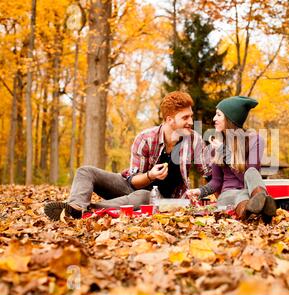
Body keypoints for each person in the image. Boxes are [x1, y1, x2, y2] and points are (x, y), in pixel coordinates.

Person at [44, 91, 211, 220]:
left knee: (144, 197)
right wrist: (151, 175)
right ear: (169, 120)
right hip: (130, 186)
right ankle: (76, 206)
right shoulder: (145, 139)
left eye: (191, 116)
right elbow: (133, 180)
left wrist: (224, 195)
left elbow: (210, 173)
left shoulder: (193, 140)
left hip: (160, 199)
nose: (191, 121)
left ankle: (86, 210)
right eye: (185, 117)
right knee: (85, 171)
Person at [186, 96, 277, 223]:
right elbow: (217, 181)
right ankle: (262, 207)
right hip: (228, 194)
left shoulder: (254, 140)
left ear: (230, 119)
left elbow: (246, 177)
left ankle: (259, 202)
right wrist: (200, 191)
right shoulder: (217, 145)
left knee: (251, 173)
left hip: (249, 191)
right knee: (239, 197)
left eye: (218, 115)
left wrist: (226, 154)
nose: (214, 119)